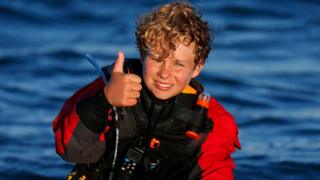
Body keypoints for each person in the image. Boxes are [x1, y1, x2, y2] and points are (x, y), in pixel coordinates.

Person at [52, 1, 241, 180]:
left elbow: (217, 171)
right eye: (157, 59)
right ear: (143, 55)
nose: (165, 74)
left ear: (197, 67)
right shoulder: (109, 85)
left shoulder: (213, 121)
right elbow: (70, 150)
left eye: (178, 64)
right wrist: (103, 100)